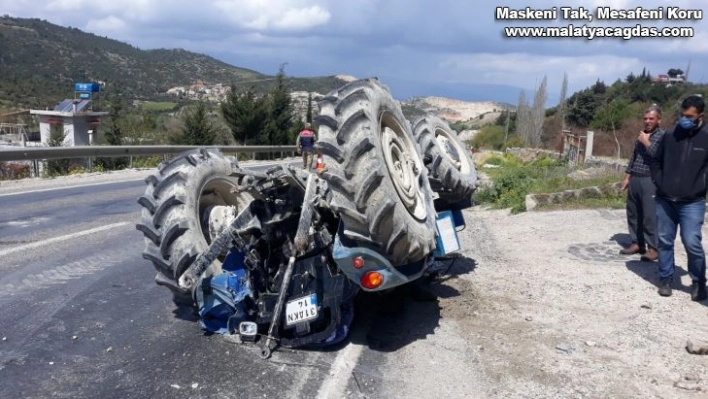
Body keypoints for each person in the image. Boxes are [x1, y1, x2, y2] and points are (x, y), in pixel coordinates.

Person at [650, 95, 708, 300]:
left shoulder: (706, 137)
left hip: (692, 202)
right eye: (683, 115)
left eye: (690, 116)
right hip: (665, 199)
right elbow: (655, 160)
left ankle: (699, 282)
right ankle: (666, 278)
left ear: (700, 116)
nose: (685, 119)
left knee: (691, 241)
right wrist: (660, 181)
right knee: (665, 240)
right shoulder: (671, 134)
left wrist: (702, 186)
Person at [619, 105, 665, 262]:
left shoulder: (663, 136)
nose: (647, 121)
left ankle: (653, 248)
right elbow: (634, 157)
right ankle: (637, 243)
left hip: (650, 179)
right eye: (645, 118)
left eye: (651, 118)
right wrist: (627, 177)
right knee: (633, 212)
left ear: (659, 119)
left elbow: (658, 156)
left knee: (649, 215)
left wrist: (646, 142)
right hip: (636, 178)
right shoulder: (641, 135)